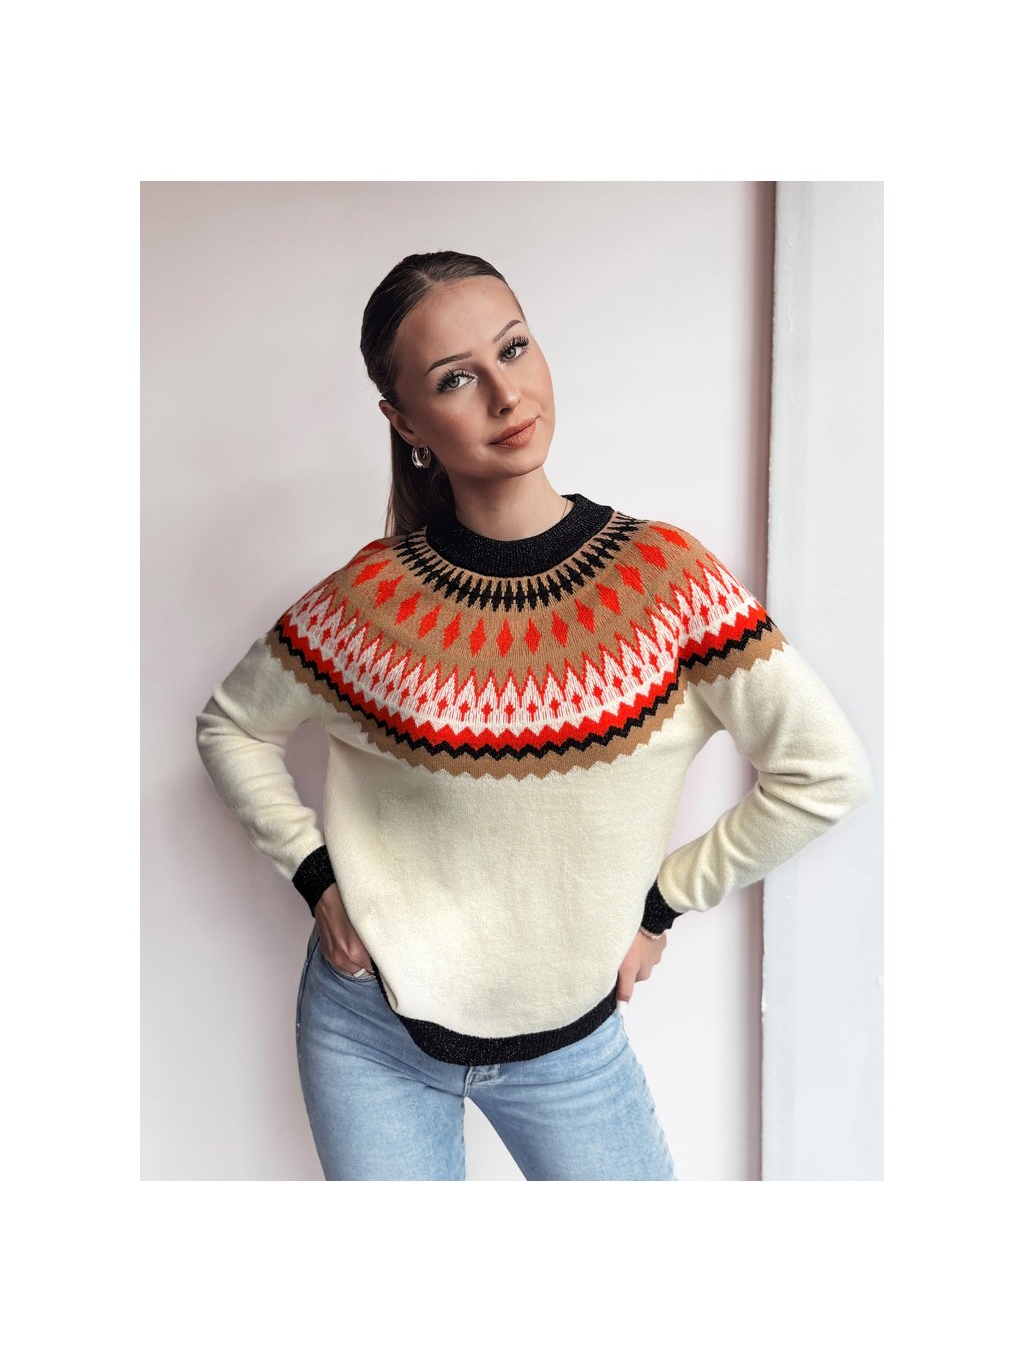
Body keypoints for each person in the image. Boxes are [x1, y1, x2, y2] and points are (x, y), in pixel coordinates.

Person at [195, 249, 874, 1181]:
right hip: (367, 1032)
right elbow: (230, 725)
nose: (506, 394)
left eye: (513, 348)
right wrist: (316, 879)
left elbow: (825, 771)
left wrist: (665, 902)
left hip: (570, 1049)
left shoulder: (667, 583)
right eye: (456, 378)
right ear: (405, 422)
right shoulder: (371, 599)